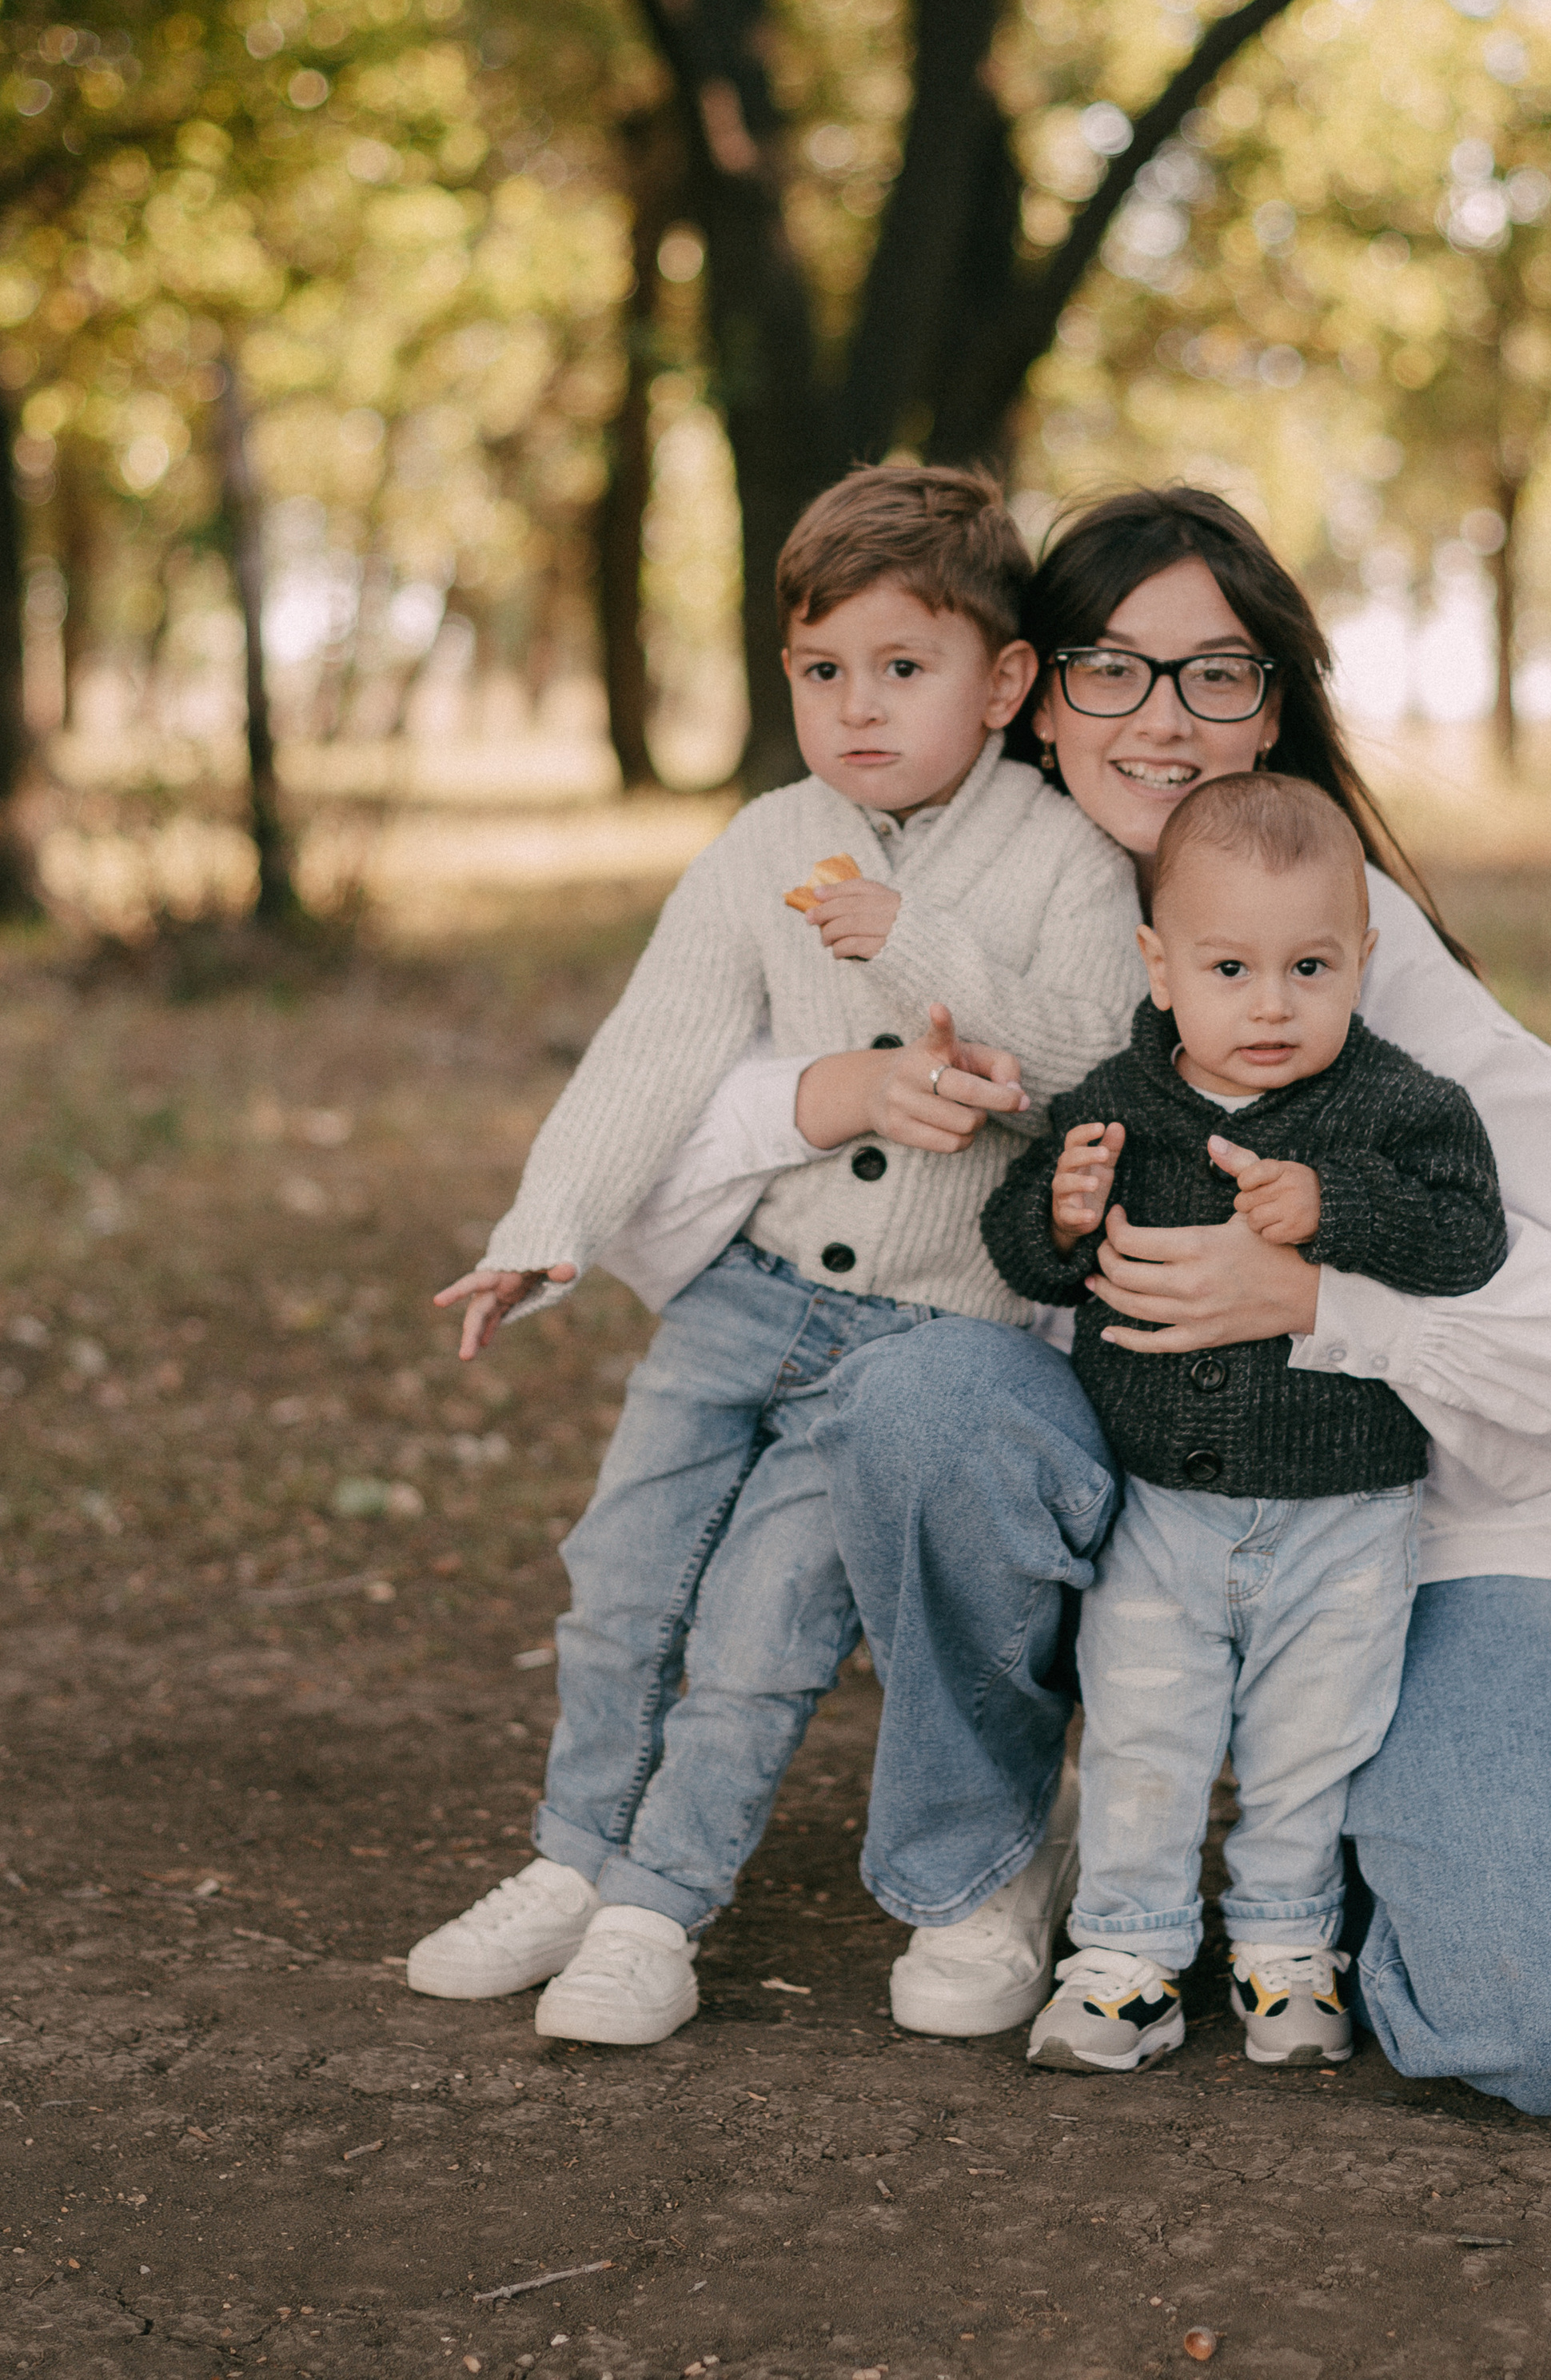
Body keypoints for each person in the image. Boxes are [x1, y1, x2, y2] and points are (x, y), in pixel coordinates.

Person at [650, 485, 1551, 2115]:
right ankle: (1012, 1846)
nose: (1160, 719)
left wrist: (1314, 1298)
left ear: (1269, 708)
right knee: (917, 1399)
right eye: (1110, 670)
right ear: (1028, 695)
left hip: (1399, 1542)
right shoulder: (914, 912)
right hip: (1112, 1518)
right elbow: (662, 1175)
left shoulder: (1368, 967)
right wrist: (835, 1095)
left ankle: (1326, 1846)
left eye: (1215, 673)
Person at [407, 465, 1140, 2044]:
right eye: (821, 671)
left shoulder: (1066, 856)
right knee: (620, 1580)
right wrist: (548, 1230)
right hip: (747, 1302)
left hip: (923, 1332)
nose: (856, 707)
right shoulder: (765, 843)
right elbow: (651, 1054)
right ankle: (571, 1858)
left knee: (760, 1623)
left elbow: (1099, 1056)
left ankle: (659, 1912)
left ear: (1003, 681)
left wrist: (921, 949)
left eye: (902, 667)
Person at [981, 771, 1507, 2073]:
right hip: (1161, 1504)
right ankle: (1129, 1953)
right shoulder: (1117, 1100)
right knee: (1146, 1726)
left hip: (1347, 1511)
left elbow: (1466, 1235)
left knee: (1312, 1733)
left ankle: (1286, 1943)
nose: (1270, 1003)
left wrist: (1335, 1210)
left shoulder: (1397, 1105)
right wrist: (1058, 1209)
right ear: (1160, 966)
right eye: (1229, 966)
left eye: (1310, 965)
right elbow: (1027, 1258)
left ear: (1363, 961)